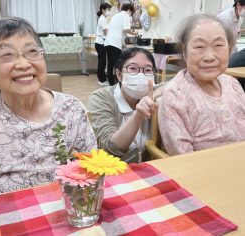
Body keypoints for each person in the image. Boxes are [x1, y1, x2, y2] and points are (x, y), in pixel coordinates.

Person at [0, 17, 97, 201]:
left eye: (32, 51)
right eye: (7, 55)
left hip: (70, 212)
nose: (23, 64)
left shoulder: (71, 108)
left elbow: (91, 170)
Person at [159, 14, 245, 156]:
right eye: (199, 46)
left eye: (218, 45)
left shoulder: (232, 83)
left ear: (229, 49)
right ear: (184, 51)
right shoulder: (176, 95)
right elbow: (181, 155)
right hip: (204, 172)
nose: (210, 57)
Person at [88, 47, 164, 163]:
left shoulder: (151, 92)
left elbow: (176, 82)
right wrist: (137, 116)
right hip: (115, 172)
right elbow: (111, 148)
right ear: (119, 74)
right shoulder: (102, 98)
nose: (141, 75)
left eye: (147, 70)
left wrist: (154, 95)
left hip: (150, 168)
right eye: (133, 68)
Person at [104, 3, 138, 86]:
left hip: (108, 42)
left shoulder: (116, 16)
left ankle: (111, 84)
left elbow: (108, 29)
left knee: (110, 64)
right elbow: (127, 29)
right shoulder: (125, 15)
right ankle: (119, 84)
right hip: (115, 43)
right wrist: (135, 33)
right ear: (129, 10)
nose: (130, 15)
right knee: (118, 64)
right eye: (131, 13)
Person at [95, 3, 112, 86]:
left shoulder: (103, 18)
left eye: (109, 9)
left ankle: (102, 78)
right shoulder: (102, 19)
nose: (109, 11)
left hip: (100, 43)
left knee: (102, 62)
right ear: (103, 10)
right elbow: (107, 32)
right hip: (100, 43)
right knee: (102, 63)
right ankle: (102, 80)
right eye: (108, 9)